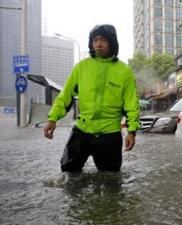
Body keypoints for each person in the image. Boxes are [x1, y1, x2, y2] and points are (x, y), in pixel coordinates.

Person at [43, 24, 140, 173]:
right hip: (82, 131)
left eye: (103, 40)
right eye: (95, 40)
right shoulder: (81, 68)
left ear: (112, 42)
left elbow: (131, 104)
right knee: (68, 173)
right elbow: (65, 96)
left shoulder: (124, 71)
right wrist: (52, 119)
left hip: (110, 134)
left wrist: (132, 132)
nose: (98, 44)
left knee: (111, 180)